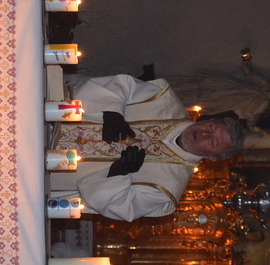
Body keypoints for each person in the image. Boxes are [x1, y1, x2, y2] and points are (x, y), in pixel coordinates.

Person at [49, 74, 244, 221]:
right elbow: (118, 86)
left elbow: (119, 206)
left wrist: (119, 173)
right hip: (47, 118)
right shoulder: (162, 99)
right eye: (212, 128)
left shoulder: (168, 187)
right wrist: (112, 113)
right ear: (208, 119)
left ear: (212, 158)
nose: (205, 135)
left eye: (213, 143)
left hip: (49, 173)